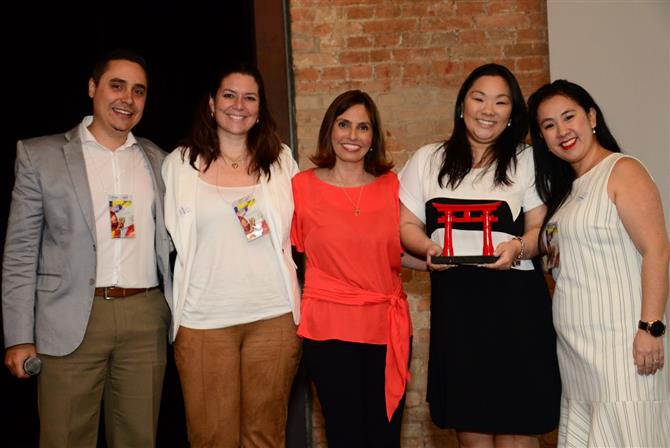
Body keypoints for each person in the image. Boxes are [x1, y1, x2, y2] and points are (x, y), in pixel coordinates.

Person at [2, 49, 172, 447]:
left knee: (139, 439)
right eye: (117, 85)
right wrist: (17, 335)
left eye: (139, 91)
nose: (127, 99)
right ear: (93, 87)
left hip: (145, 319)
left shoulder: (163, 162)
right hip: (69, 319)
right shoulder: (40, 156)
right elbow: (21, 253)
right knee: (65, 439)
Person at [398, 63, 561, 447]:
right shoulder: (427, 159)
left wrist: (518, 247)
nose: (488, 110)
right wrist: (427, 248)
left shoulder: (527, 160)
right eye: (479, 98)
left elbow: (542, 232)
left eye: (501, 102)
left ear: (511, 114)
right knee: (472, 435)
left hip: (517, 309)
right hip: (459, 312)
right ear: (461, 105)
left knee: (518, 434)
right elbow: (405, 226)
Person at [162, 62, 301, 447]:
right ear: (211, 103)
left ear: (259, 110)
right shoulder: (179, 165)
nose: (238, 105)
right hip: (203, 321)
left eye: (249, 97)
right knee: (212, 439)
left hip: (273, 318)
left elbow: (303, 230)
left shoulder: (281, 162)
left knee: (265, 437)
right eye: (229, 95)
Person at [528, 79, 670, 447]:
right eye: (549, 125)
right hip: (577, 356)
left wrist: (651, 329)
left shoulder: (623, 170)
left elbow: (657, 250)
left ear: (591, 117)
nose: (562, 131)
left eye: (568, 117)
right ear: (542, 138)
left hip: (623, 351)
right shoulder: (566, 193)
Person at [291, 90, 412, 447]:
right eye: (344, 124)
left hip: (386, 329)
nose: (352, 136)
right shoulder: (301, 187)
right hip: (329, 331)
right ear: (330, 129)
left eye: (363, 127)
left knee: (385, 437)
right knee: (345, 436)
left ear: (374, 138)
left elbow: (402, 252)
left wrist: (447, 259)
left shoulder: (394, 187)